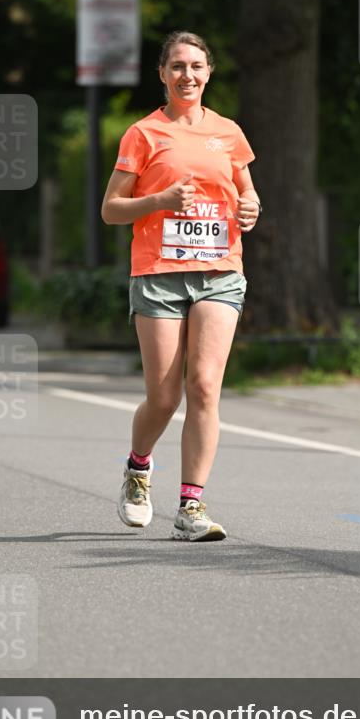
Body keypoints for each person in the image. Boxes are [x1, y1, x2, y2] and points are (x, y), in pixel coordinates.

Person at [101, 32, 261, 542]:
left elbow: (245, 190)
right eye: (176, 66)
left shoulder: (229, 133)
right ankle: (138, 467)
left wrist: (251, 206)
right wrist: (159, 200)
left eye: (195, 66)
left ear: (209, 72)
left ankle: (191, 506)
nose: (186, 75)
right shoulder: (143, 134)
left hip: (220, 271)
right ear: (162, 74)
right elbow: (110, 209)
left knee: (206, 387)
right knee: (165, 396)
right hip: (159, 274)